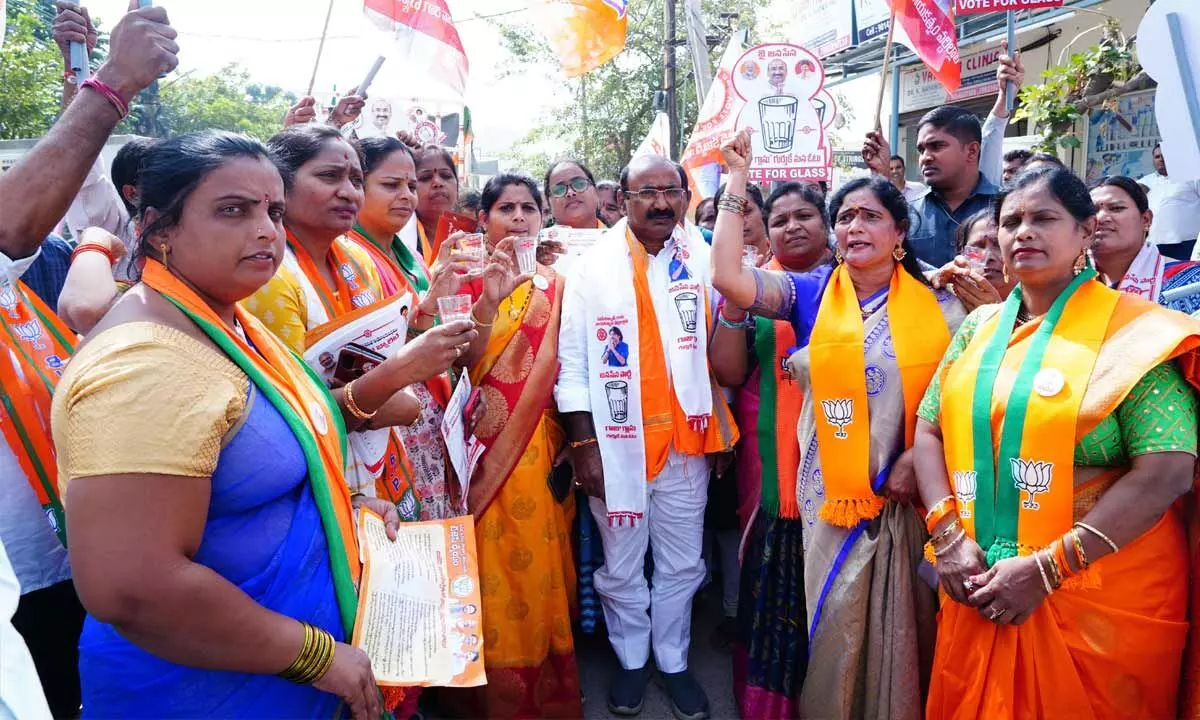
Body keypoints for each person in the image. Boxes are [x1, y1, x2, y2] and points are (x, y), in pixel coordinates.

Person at [52, 130, 391, 719]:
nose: (266, 231)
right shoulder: (145, 363)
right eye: (233, 210)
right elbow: (133, 587)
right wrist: (314, 656)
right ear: (158, 228)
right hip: (203, 693)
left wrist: (349, 507)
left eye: (274, 211)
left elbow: (258, 467)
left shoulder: (225, 322)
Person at [913, 165, 1200, 719]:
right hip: (980, 574)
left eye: (1044, 218)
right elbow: (929, 429)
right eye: (1011, 221)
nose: (1023, 232)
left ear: (1085, 231)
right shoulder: (979, 327)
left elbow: (1167, 470)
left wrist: (1049, 568)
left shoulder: (1138, 333)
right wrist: (947, 536)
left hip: (1100, 593)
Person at [712, 130, 965, 719]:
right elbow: (727, 277)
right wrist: (736, 180)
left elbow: (965, 394)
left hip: (909, 495)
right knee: (834, 625)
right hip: (829, 496)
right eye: (845, 216)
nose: (855, 226)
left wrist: (914, 457)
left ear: (899, 234)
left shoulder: (944, 303)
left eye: (871, 216)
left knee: (902, 627)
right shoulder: (810, 293)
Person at [0, 3, 177, 716]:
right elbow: (20, 224)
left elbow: (74, 202)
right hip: (23, 574)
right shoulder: (49, 254)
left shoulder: (37, 265)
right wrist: (110, 84)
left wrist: (86, 85)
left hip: (65, 547)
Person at [557, 154, 738, 720]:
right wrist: (585, 446)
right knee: (621, 565)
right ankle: (632, 658)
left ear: (685, 196)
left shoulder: (703, 256)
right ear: (623, 199)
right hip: (616, 449)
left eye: (671, 192)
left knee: (684, 563)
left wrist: (721, 429)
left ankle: (674, 660)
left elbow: (718, 350)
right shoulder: (590, 267)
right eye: (647, 193)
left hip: (687, 444)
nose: (661, 203)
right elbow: (572, 366)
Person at [242, 125, 475, 536]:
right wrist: (396, 381)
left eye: (354, 179)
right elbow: (288, 413)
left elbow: (383, 355)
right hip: (316, 484)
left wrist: (422, 321)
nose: (348, 191)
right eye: (329, 176)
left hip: (378, 465)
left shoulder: (356, 261)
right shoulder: (272, 276)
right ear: (280, 185)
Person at [437, 173, 581, 719]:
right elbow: (457, 362)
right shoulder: (460, 277)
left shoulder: (560, 285)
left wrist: (576, 440)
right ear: (483, 217)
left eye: (528, 208)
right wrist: (487, 302)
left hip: (539, 442)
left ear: (543, 217)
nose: (518, 217)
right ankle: (481, 695)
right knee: (482, 567)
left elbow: (572, 370)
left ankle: (542, 692)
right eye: (505, 208)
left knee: (537, 566)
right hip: (475, 448)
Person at [708, 181, 833, 718]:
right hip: (768, 451)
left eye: (805, 215)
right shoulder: (758, 285)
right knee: (767, 567)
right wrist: (736, 307)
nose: (792, 226)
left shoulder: (854, 282)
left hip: (838, 446)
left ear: (827, 224)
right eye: (780, 219)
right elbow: (728, 371)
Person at [1091, 175, 1200, 314]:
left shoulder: (1193, 282)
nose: (1100, 218)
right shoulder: (1069, 284)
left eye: (1116, 208)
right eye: (1092, 211)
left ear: (1146, 219)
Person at [1134, 143, 1200, 261]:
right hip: (1155, 243)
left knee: (1188, 272)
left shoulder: (1192, 177)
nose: (1161, 159)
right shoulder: (1144, 182)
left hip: (1188, 242)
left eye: (1165, 155)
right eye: (1157, 157)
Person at [414, 145, 461, 264]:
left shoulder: (470, 238)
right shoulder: (397, 239)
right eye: (425, 177)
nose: (438, 183)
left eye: (446, 176)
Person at [714, 182, 768, 263]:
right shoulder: (712, 266)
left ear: (762, 211)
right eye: (730, 217)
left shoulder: (785, 256)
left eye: (746, 212)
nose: (739, 222)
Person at [545, 159, 604, 230]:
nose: (570, 193)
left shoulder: (615, 235)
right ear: (549, 204)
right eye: (559, 190)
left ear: (596, 193)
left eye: (579, 184)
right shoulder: (537, 237)